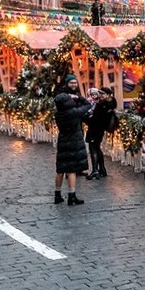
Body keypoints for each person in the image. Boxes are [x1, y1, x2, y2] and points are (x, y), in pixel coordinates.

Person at [53, 75, 92, 206]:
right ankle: (72, 196)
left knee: (60, 170)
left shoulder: (59, 114)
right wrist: (78, 97)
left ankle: (57, 195)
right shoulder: (74, 112)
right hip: (74, 140)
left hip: (63, 139)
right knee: (72, 170)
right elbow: (88, 104)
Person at [86, 87, 117, 180]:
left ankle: (95, 170)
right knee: (96, 147)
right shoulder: (108, 104)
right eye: (100, 93)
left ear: (108, 95)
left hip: (96, 129)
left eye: (102, 94)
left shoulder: (103, 105)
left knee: (93, 148)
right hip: (99, 129)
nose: (100, 95)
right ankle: (102, 169)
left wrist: (86, 118)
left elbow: (96, 118)